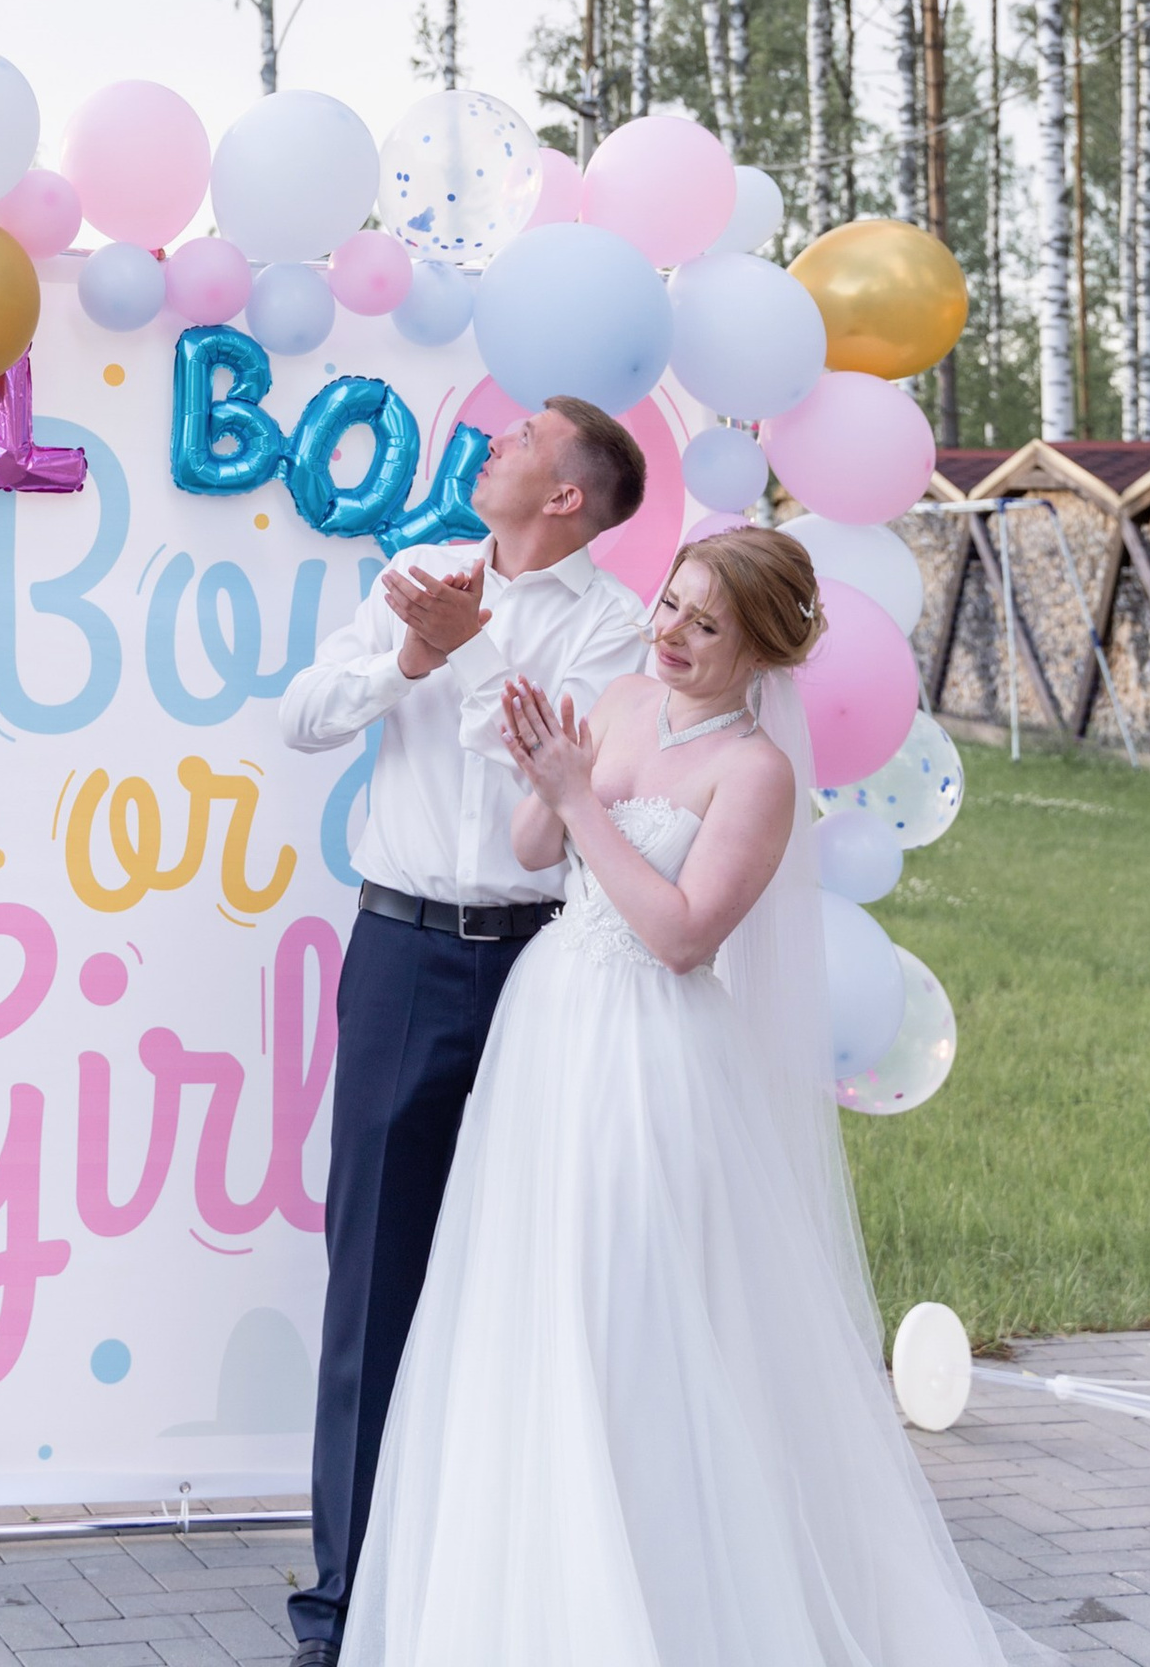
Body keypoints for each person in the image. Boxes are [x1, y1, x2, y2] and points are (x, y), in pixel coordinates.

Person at [341, 528, 1032, 1666]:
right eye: (669, 605)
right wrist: (544, 781)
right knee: (530, 1296)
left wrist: (583, 801)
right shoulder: (614, 702)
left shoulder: (754, 774)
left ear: (758, 649)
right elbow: (532, 851)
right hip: (548, 1026)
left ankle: (651, 1596)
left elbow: (677, 935)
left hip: (647, 1053)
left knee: (624, 1304)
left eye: (704, 625)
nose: (669, 633)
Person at [275, 396, 654, 1665]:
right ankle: (342, 1609)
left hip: (543, 964)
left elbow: (549, 795)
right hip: (399, 955)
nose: (496, 433)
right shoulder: (421, 575)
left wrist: (473, 653)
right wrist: (415, 659)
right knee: (373, 1282)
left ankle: (498, 1597)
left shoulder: (613, 628)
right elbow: (304, 713)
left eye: (528, 434)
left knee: (532, 1279)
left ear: (567, 497)